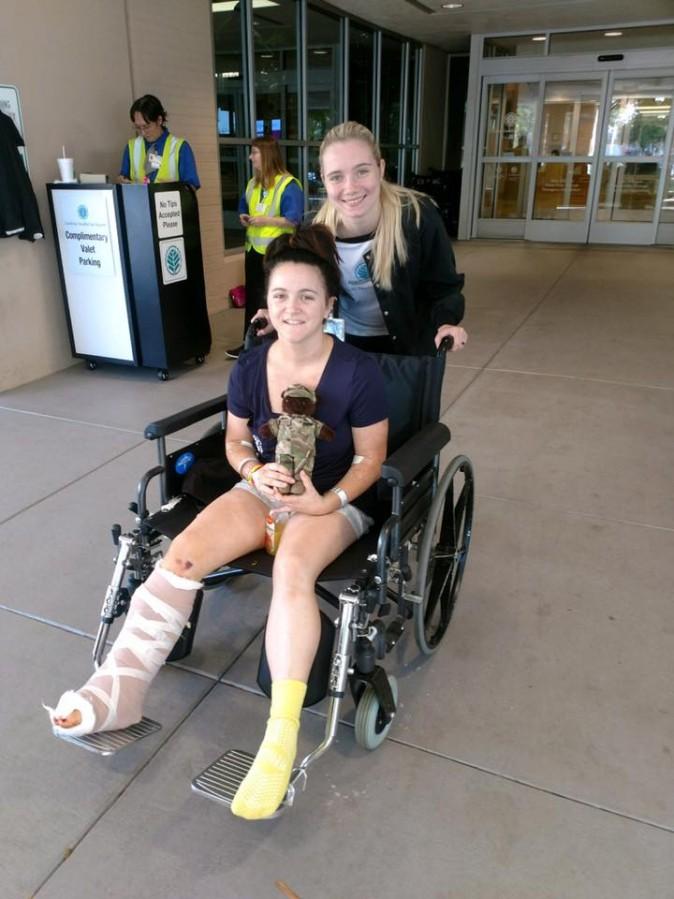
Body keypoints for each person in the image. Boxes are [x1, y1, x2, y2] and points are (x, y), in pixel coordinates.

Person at [45, 224, 388, 822]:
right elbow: (233, 441)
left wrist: (322, 503)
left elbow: (371, 459)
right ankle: (120, 688)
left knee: (292, 574)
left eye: (308, 295)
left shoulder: (359, 372)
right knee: (178, 556)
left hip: (330, 500)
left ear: (330, 304)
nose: (293, 307)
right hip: (260, 491)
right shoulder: (251, 368)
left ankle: (278, 739)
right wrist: (254, 474)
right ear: (266, 303)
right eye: (281, 294)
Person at [313, 121, 468, 356]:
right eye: (336, 177)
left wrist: (445, 322)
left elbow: (444, 288)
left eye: (362, 171)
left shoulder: (418, 217)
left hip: (408, 347)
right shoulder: (316, 234)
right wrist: (273, 311)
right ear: (323, 179)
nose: (350, 187)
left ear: (381, 168)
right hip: (344, 346)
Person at [225, 137, 304, 359]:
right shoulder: (253, 184)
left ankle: (274, 347)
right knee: (253, 299)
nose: (250, 157)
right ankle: (249, 343)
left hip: (277, 253)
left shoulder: (288, 185)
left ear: (267, 155)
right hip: (253, 251)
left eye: (254, 153)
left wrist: (265, 221)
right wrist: (244, 217)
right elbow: (244, 205)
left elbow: (294, 220)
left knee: (274, 300)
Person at [118, 94, 200, 189]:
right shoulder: (131, 147)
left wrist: (173, 187)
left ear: (159, 120)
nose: (143, 132)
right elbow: (123, 179)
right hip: (141, 202)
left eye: (146, 127)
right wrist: (122, 181)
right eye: (138, 127)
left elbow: (191, 187)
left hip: (169, 202)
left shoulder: (180, 147)